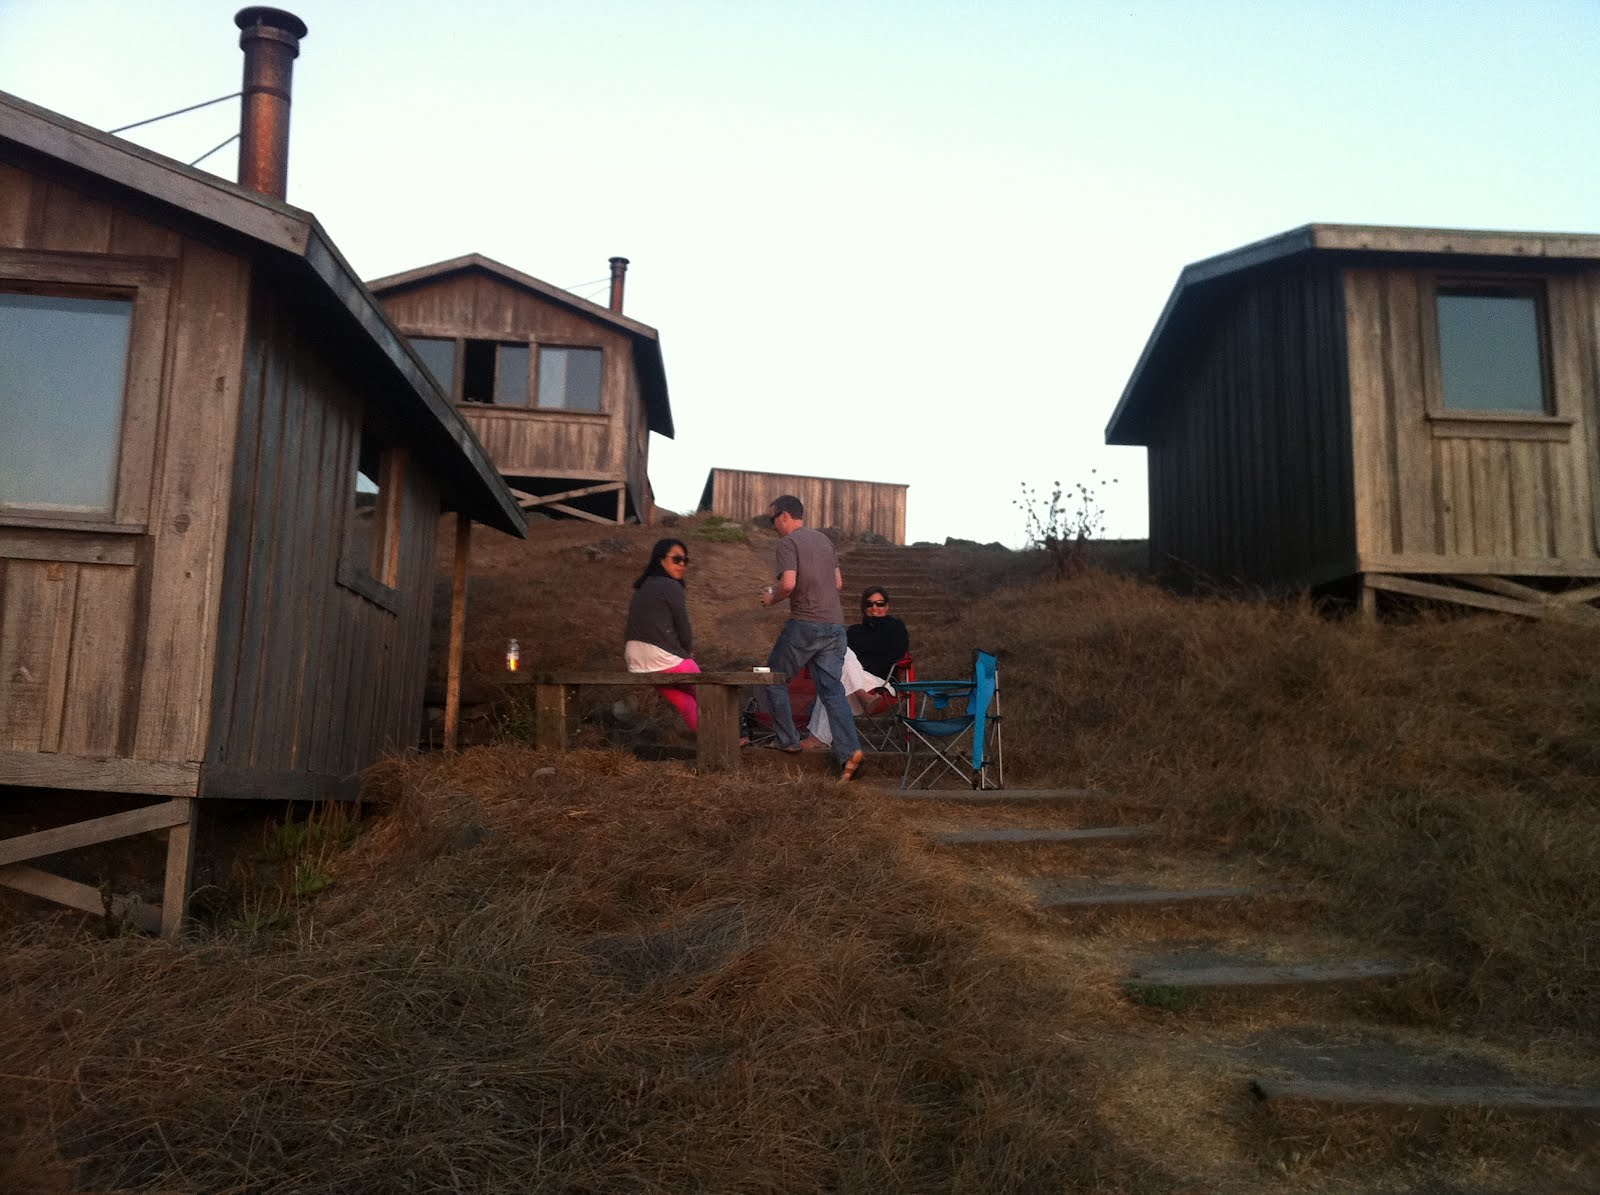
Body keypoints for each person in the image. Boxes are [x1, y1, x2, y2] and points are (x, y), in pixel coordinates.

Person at [757, 495, 866, 781]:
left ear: (784, 516)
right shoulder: (825, 541)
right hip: (835, 628)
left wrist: (771, 598)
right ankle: (850, 750)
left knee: (773, 677)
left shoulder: (788, 543)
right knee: (832, 691)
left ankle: (787, 740)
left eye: (772, 519)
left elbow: (788, 584)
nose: (772, 525)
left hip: (806, 624)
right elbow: (838, 583)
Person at [623, 538, 699, 732]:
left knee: (685, 703)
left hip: (636, 661)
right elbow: (683, 627)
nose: (682, 564)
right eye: (676, 559)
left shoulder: (642, 587)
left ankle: (709, 739)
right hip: (661, 657)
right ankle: (725, 739)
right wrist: (687, 653)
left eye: (685, 560)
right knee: (710, 693)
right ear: (660, 559)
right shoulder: (670, 586)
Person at [847, 587, 909, 680]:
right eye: (869, 604)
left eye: (880, 604)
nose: (874, 608)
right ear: (864, 607)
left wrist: (865, 667)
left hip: (883, 679)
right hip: (856, 676)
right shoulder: (854, 631)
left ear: (887, 606)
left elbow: (897, 655)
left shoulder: (896, 627)